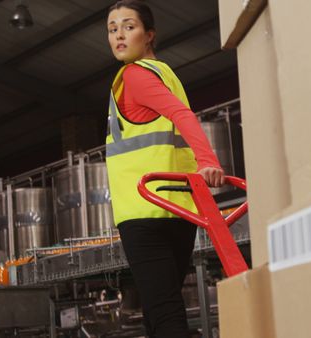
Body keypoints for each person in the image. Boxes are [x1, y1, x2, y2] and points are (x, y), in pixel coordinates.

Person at [105, 1, 224, 336]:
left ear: (150, 34)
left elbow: (182, 116)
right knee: (158, 310)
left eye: (129, 26)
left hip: (144, 211)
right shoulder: (166, 75)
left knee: (164, 310)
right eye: (113, 29)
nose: (119, 35)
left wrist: (208, 160)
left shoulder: (134, 76)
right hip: (179, 209)